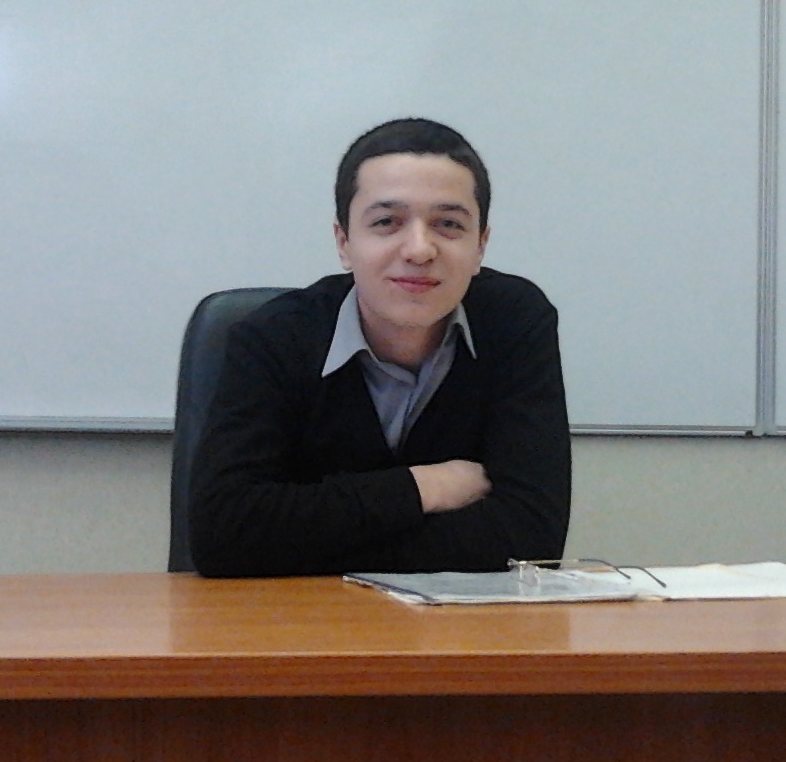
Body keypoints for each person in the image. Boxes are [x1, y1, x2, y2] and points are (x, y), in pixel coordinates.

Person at [190, 118, 570, 577]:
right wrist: (423, 487)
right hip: (302, 617)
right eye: (387, 222)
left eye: (448, 224)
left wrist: (312, 538)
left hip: (461, 621)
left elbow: (532, 539)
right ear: (344, 243)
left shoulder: (515, 322)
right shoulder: (271, 338)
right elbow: (224, 534)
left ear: (481, 246)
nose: (419, 249)